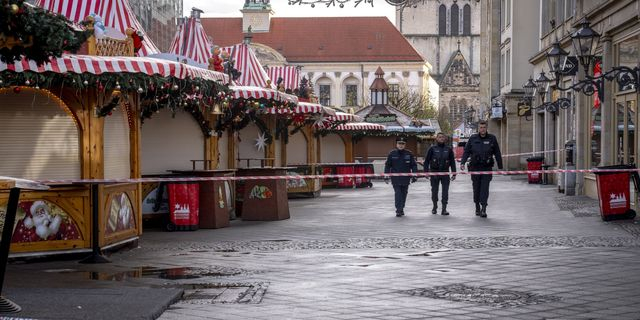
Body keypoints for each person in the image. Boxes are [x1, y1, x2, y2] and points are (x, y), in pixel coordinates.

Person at [460, 120, 503, 218]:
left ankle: (484, 208)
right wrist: (462, 162)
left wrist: (500, 166)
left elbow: (497, 152)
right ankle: (477, 206)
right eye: (480, 127)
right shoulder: (472, 138)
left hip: (487, 167)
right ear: (478, 128)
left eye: (484, 127)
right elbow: (466, 151)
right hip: (475, 167)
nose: (482, 129)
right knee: (476, 188)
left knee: (485, 188)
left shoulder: (492, 138)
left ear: (486, 128)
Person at [384, 136, 419, 217]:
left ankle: (401, 208)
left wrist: (414, 175)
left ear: (405, 145)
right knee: (398, 193)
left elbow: (413, 165)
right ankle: (398, 210)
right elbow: (387, 166)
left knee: (404, 193)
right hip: (395, 178)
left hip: (406, 178)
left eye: (403, 144)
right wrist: (386, 176)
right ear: (396, 144)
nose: (401, 145)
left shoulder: (409, 154)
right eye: (399, 143)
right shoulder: (392, 154)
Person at [424, 132, 456, 215]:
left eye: (443, 137)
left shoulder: (448, 149)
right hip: (434, 173)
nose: (441, 138)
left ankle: (444, 209)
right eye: (440, 137)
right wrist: (426, 172)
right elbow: (426, 161)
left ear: (445, 139)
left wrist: (454, 173)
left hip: (445, 173)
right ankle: (434, 207)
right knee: (434, 191)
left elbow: (452, 162)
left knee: (445, 191)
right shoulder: (432, 149)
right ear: (436, 138)